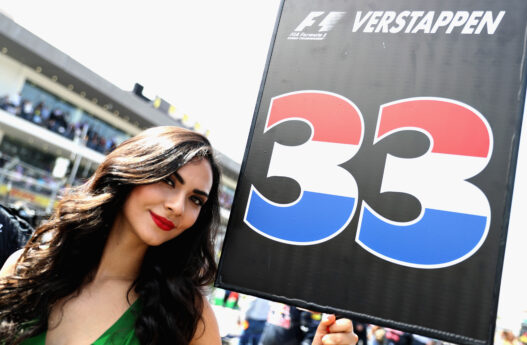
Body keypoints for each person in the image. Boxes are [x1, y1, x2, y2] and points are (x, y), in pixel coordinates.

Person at [0, 126, 358, 345]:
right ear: (131, 172)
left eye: (195, 199)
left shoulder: (187, 313)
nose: (177, 206)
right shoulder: (28, 265)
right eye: (169, 180)